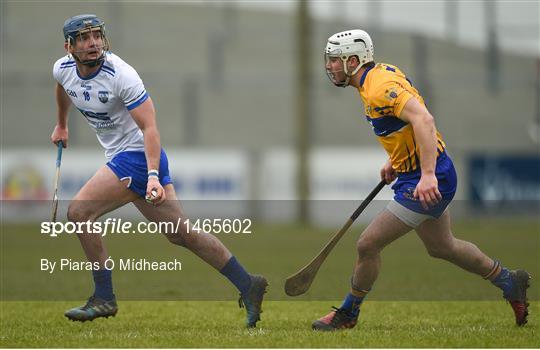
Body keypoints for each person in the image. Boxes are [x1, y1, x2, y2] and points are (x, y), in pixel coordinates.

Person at [51, 14, 267, 328]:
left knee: (80, 213)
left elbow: (150, 127)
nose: (93, 43)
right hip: (126, 158)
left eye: (96, 35)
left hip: (139, 156)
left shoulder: (121, 74)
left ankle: (104, 297)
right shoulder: (62, 68)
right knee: (181, 234)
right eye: (84, 39)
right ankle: (248, 284)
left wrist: (152, 175)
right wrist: (61, 124)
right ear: (69, 46)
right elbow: (63, 88)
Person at [313, 29, 531, 331]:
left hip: (428, 177)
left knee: (368, 244)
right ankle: (509, 280)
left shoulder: (379, 87)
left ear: (353, 60)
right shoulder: (376, 77)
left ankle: (348, 314)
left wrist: (427, 175)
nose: (329, 66)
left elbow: (424, 120)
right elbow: (405, 123)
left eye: (335, 60)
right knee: (443, 247)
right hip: (417, 172)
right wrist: (396, 160)